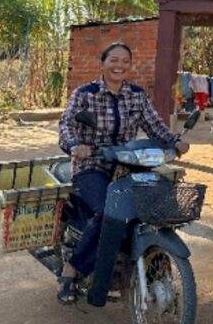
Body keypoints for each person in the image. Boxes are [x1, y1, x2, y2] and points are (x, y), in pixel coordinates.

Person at [55, 41, 189, 305]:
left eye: (125, 61)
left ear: (130, 65)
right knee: (108, 212)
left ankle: (146, 263)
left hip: (127, 166)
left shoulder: (136, 95)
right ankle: (72, 270)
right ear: (103, 63)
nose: (119, 65)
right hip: (91, 166)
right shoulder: (86, 94)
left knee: (151, 210)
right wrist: (74, 145)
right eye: (113, 60)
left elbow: (154, 126)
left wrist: (174, 141)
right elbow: (67, 124)